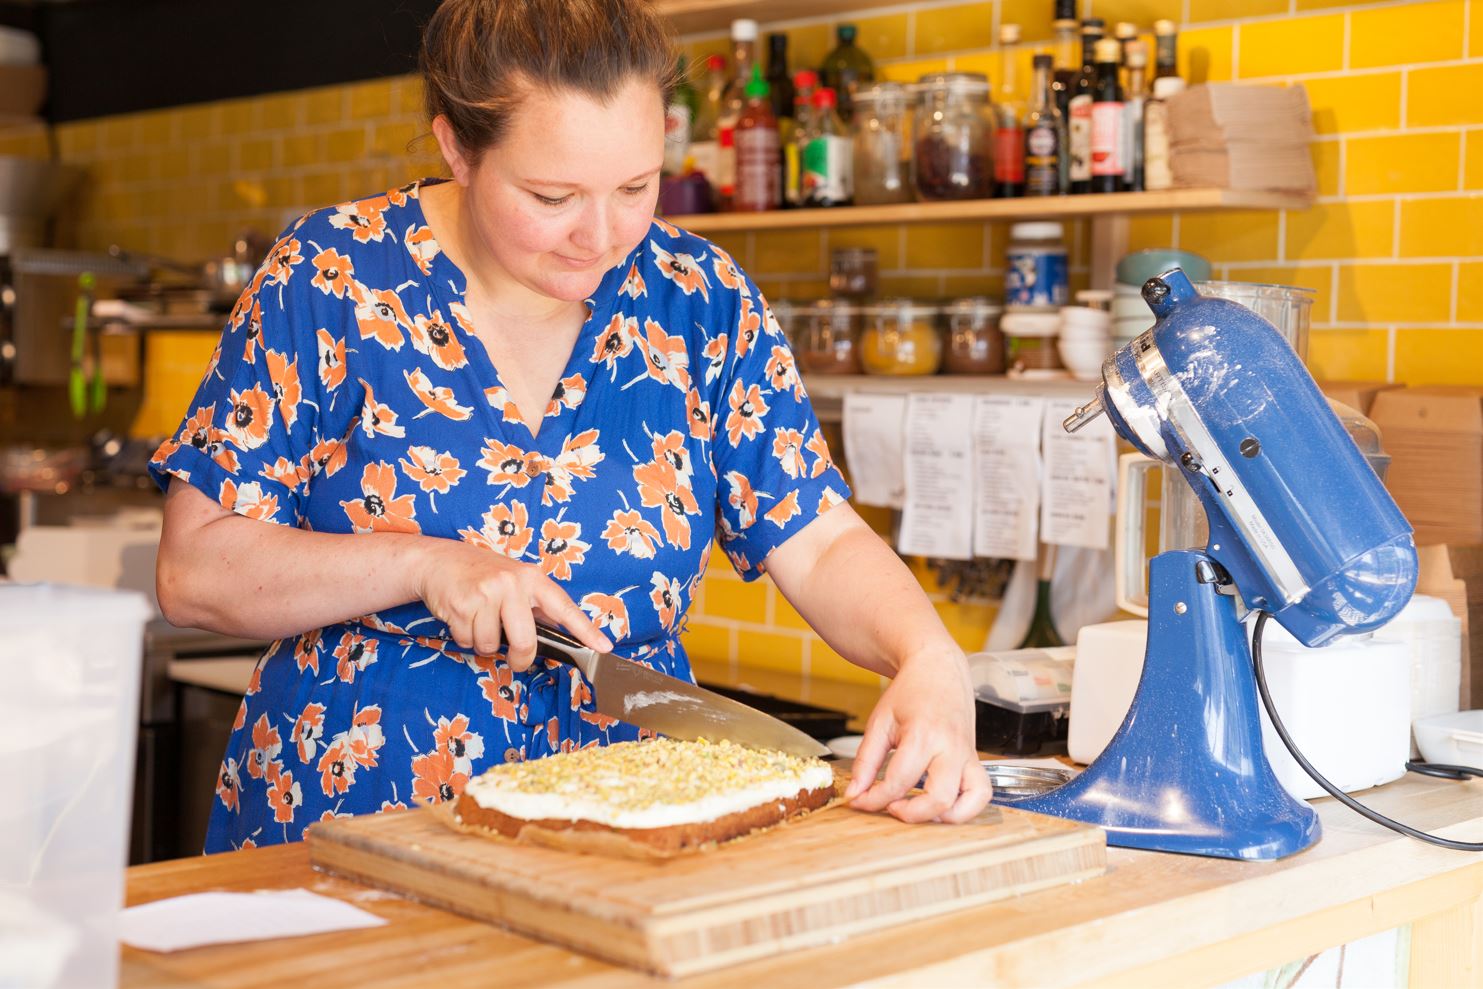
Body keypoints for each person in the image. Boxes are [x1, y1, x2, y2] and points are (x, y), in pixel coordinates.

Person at [152, 0, 990, 852]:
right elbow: (194, 571)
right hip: (355, 821)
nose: (602, 236)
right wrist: (424, 565)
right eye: (552, 196)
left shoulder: (697, 297)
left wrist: (926, 656)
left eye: (635, 187)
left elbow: (813, 536)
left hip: (630, 826)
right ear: (457, 148)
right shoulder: (331, 278)